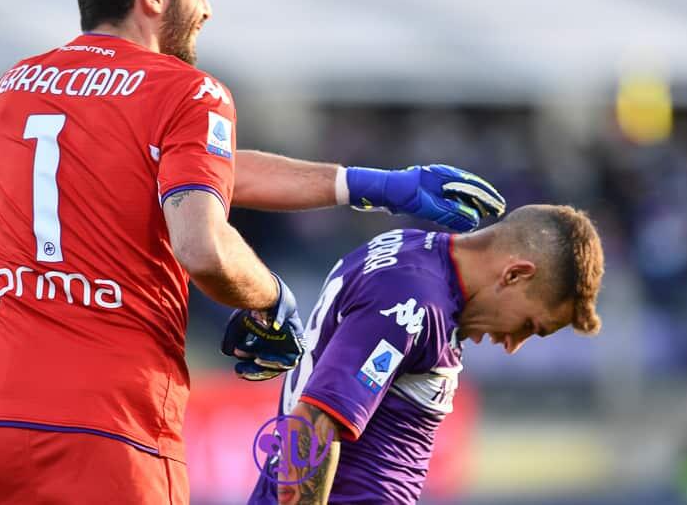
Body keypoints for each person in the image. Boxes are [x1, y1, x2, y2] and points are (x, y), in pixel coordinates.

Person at [0, 0, 506, 505]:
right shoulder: (186, 91)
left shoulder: (18, 84)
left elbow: (194, 169)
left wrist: (368, 185)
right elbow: (201, 244)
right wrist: (272, 301)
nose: (206, 6)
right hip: (109, 426)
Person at [243, 204, 604, 504]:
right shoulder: (411, 301)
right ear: (514, 275)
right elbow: (312, 423)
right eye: (528, 325)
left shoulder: (416, 254)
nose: (512, 344)